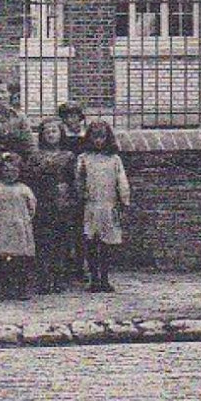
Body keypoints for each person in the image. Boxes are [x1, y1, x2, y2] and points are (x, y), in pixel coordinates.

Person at [76, 119, 131, 292]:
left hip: (109, 205)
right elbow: (79, 180)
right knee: (91, 242)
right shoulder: (84, 159)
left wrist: (124, 202)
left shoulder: (114, 160)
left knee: (107, 244)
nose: (98, 141)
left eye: (102, 137)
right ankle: (94, 279)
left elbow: (122, 182)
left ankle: (105, 278)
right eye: (95, 137)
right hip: (91, 206)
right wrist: (81, 195)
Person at [28, 117, 77, 293]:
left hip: (62, 202)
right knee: (43, 241)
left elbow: (74, 180)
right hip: (42, 201)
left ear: (60, 134)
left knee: (61, 241)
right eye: (47, 132)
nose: (51, 135)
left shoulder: (68, 156)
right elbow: (31, 178)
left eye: (54, 131)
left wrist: (69, 196)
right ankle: (43, 278)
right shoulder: (36, 156)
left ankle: (59, 278)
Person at [0, 152, 37, 299]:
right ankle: (5, 288)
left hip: (20, 228)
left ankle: (22, 289)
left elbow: (32, 207)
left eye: (14, 171)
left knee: (21, 260)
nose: (10, 174)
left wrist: (23, 220)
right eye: (6, 170)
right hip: (2, 227)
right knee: (4, 259)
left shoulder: (24, 189)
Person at [56, 101, 89, 281]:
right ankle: (66, 265)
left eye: (74, 116)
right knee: (65, 226)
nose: (71, 120)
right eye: (67, 116)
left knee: (81, 228)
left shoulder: (86, 136)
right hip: (66, 184)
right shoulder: (61, 136)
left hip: (82, 183)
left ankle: (80, 266)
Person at [0, 81, 36, 159]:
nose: (0, 96)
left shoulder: (20, 117)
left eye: (3, 92)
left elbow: (28, 142)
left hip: (14, 158)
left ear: (10, 94)